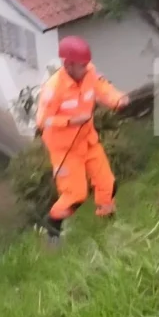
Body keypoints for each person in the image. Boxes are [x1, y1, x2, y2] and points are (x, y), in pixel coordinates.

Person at [35, 36, 129, 241]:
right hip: (65, 150)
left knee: (108, 185)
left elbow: (103, 88)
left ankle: (109, 227)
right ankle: (51, 229)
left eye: (87, 64)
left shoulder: (89, 72)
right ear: (68, 64)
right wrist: (71, 121)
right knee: (75, 196)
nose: (87, 68)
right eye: (82, 65)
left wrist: (118, 99)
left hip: (88, 141)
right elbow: (42, 121)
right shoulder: (53, 89)